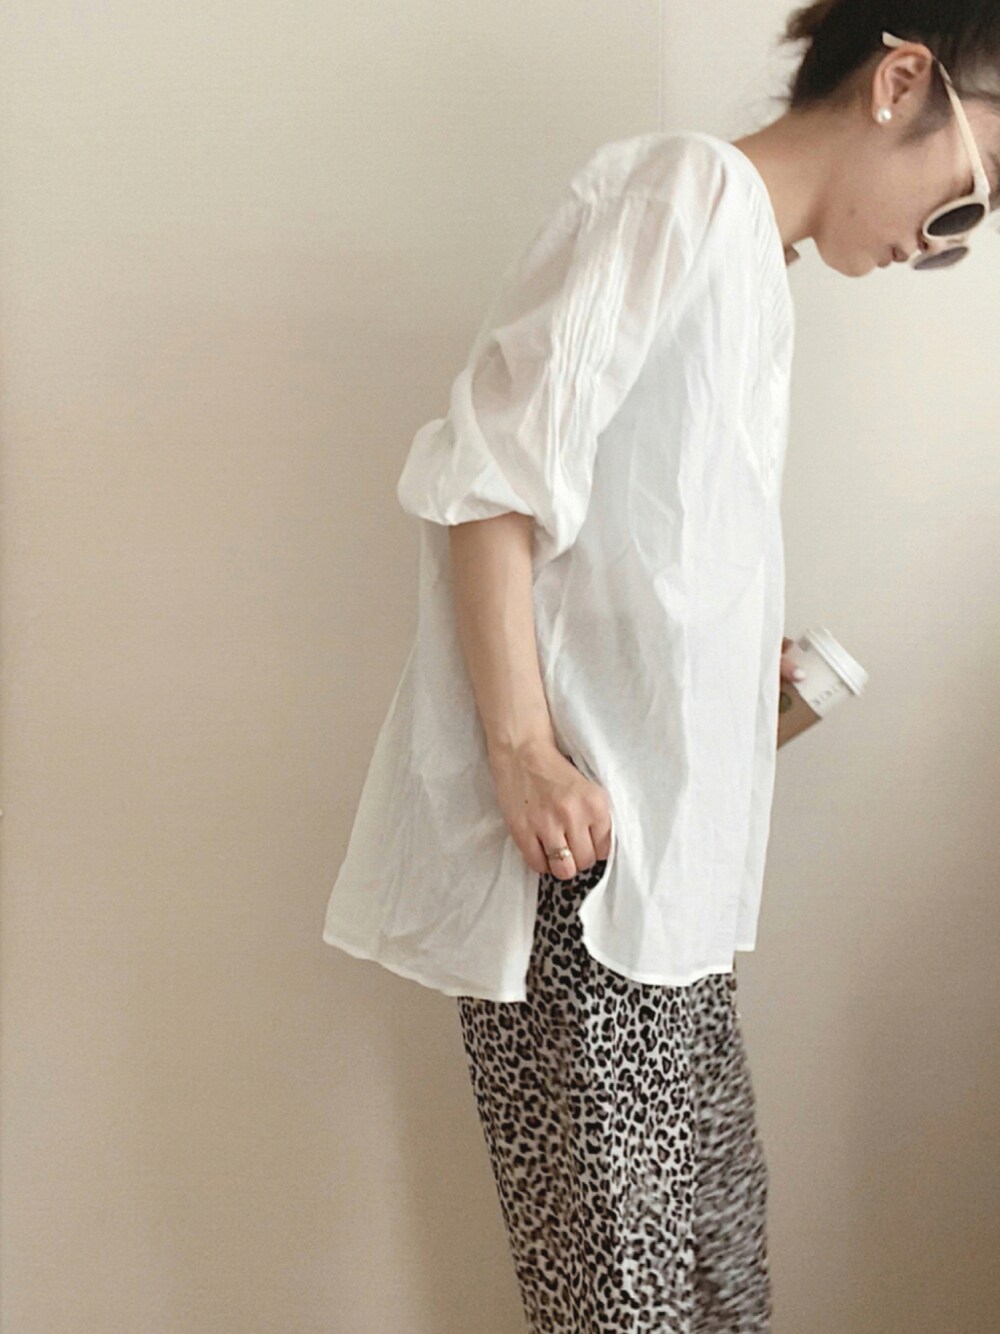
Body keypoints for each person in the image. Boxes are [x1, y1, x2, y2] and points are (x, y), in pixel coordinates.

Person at [323, 4, 1000, 1329]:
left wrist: (737, 681)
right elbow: (491, 480)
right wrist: (522, 749)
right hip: (582, 888)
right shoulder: (681, 194)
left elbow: (624, 567)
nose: (944, 244)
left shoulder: (749, 264)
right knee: (625, 1302)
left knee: (714, 1278)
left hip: (661, 898)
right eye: (968, 198)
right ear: (900, 82)